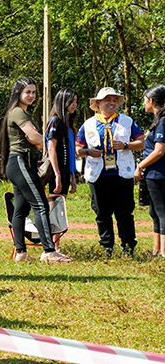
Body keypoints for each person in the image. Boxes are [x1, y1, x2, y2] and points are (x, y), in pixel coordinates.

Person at [0, 76, 71, 263]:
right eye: (27, 92)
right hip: (20, 163)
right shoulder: (18, 112)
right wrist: (39, 141)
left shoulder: (22, 113)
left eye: (33, 92)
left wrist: (38, 141)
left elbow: (36, 139)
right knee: (40, 205)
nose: (31, 95)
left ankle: (21, 254)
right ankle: (49, 251)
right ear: (18, 93)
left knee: (21, 209)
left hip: (21, 164)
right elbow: (35, 138)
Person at [76, 87, 144, 257]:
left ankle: (128, 246)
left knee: (125, 212)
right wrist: (88, 152)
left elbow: (141, 142)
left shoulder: (127, 121)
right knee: (101, 213)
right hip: (98, 174)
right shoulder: (88, 124)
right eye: (108, 100)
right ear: (98, 103)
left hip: (122, 174)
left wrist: (126, 145)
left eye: (114, 100)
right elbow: (77, 148)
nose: (112, 103)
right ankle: (107, 246)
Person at [44, 88, 79, 252]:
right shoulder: (55, 121)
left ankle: (55, 246)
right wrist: (57, 174)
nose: (75, 105)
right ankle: (51, 248)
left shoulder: (68, 125)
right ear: (63, 102)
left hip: (66, 172)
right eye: (72, 101)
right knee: (55, 208)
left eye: (76, 102)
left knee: (60, 208)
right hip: (56, 172)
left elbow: (70, 152)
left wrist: (72, 175)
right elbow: (51, 149)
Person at [136, 85, 165, 257]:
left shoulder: (162, 122)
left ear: (152, 101)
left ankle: (163, 253)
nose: (144, 103)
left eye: (145, 100)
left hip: (159, 174)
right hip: (153, 173)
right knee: (154, 212)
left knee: (162, 212)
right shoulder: (158, 121)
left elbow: (159, 151)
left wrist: (140, 166)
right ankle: (157, 250)